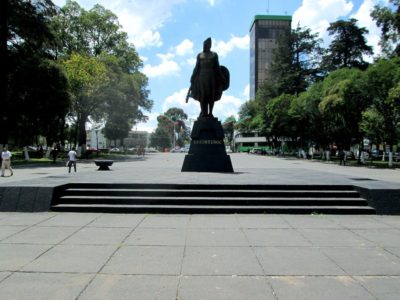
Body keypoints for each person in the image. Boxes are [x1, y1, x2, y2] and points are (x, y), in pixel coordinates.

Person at [188, 37, 229, 117]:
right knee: (202, 95)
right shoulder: (200, 55)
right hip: (202, 77)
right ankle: (204, 112)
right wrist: (193, 77)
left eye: (208, 44)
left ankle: (210, 113)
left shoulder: (214, 55)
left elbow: (217, 67)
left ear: (210, 45)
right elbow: (197, 67)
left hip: (211, 77)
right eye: (205, 44)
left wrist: (221, 76)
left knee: (211, 95)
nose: (206, 45)